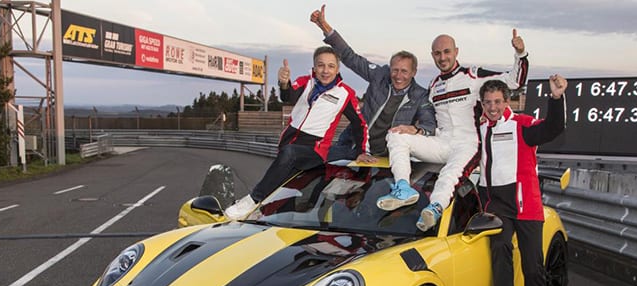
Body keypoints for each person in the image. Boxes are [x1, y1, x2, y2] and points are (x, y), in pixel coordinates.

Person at [377, 31, 529, 231]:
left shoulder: (473, 75)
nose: (442, 57)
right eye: (437, 53)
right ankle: (403, 188)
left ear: (456, 52)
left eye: (447, 52)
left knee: (449, 175)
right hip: (441, 142)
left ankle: (435, 207)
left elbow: (514, 82)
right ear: (433, 56)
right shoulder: (433, 85)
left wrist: (520, 53)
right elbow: (427, 120)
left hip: (468, 144)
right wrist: (415, 130)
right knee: (396, 134)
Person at [478, 76, 567, 286]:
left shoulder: (522, 125)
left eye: (497, 102)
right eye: (487, 102)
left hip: (526, 205)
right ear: (482, 104)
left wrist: (556, 99)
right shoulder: (478, 128)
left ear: (507, 102)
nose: (492, 107)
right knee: (500, 249)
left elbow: (553, 128)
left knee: (533, 271)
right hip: (497, 206)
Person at [225, 46, 368, 220]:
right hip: (289, 142)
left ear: (337, 69)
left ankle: (254, 199)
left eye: (331, 66)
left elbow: (359, 123)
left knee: (290, 153)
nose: (325, 70)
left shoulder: (345, 93)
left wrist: (362, 151)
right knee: (286, 194)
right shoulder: (305, 81)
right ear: (314, 67)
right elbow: (288, 97)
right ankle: (270, 215)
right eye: (321, 65)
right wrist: (284, 83)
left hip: (315, 150)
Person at [310, 5, 436, 162]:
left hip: (385, 155)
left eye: (404, 71)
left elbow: (429, 125)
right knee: (322, 177)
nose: (398, 76)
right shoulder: (380, 75)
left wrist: (416, 130)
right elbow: (350, 57)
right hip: (353, 145)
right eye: (394, 70)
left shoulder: (420, 96)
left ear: (413, 72)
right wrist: (324, 27)